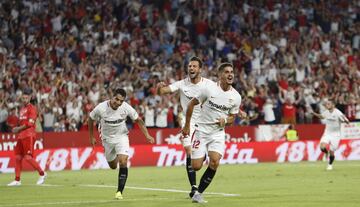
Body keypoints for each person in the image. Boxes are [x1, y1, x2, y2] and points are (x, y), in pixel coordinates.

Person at [182, 62, 246, 203]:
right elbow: (191, 104)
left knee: (215, 162)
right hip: (201, 130)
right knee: (196, 166)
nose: (230, 74)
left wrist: (226, 121)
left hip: (217, 133)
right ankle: (202, 153)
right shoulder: (208, 89)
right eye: (227, 72)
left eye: (232, 72)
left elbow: (232, 118)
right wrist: (187, 125)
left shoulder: (236, 97)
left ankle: (198, 194)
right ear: (220, 75)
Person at [157, 56, 214, 198]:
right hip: (187, 122)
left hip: (205, 123)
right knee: (188, 151)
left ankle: (202, 153)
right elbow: (165, 91)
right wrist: (159, 88)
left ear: (200, 69)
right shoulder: (182, 83)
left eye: (194, 66)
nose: (191, 68)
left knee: (198, 164)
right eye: (190, 66)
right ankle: (194, 187)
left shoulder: (209, 84)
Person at [88, 88, 155, 199]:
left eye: (121, 101)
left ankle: (119, 192)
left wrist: (147, 135)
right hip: (107, 139)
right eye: (116, 99)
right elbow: (90, 119)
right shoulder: (101, 108)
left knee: (123, 161)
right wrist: (91, 136)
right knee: (113, 166)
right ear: (112, 96)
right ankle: (112, 154)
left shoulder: (126, 107)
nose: (118, 103)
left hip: (121, 136)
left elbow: (139, 120)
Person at [8, 88, 47, 186]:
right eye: (23, 98)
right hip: (21, 136)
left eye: (26, 98)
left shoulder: (32, 109)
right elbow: (21, 123)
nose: (24, 100)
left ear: (30, 98)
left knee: (28, 157)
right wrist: (16, 129)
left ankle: (42, 174)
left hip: (29, 135)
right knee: (17, 157)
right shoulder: (21, 109)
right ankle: (17, 180)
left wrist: (18, 129)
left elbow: (30, 124)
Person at [312, 99, 349, 170]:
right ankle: (326, 153)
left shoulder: (338, 113)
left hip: (336, 135)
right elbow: (322, 116)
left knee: (332, 152)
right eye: (327, 104)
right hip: (327, 133)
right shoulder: (326, 112)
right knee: (322, 147)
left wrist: (345, 120)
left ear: (333, 105)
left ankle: (330, 164)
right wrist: (314, 114)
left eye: (328, 104)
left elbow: (347, 121)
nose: (327, 105)